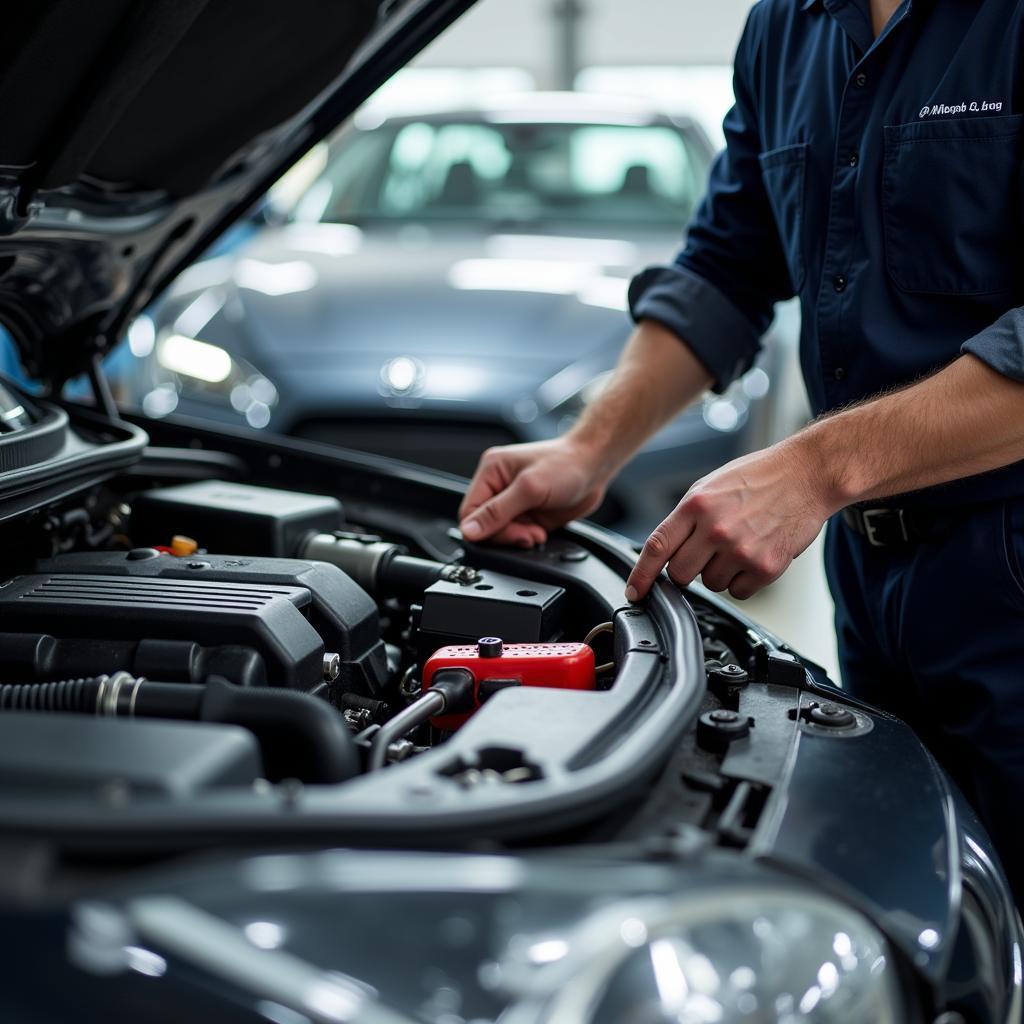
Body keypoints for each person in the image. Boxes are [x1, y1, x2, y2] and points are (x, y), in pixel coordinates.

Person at [458, 0, 1024, 904]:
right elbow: (727, 265)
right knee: (924, 899)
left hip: (1008, 557)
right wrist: (588, 450)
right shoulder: (786, 27)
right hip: (874, 574)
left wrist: (810, 470)